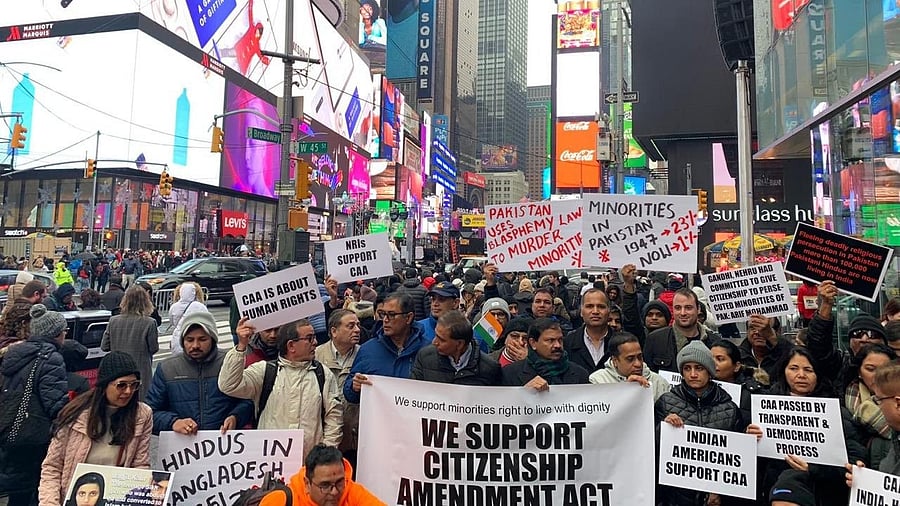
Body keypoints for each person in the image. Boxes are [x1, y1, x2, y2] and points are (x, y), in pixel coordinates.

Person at [746, 347, 865, 505]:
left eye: (808, 370)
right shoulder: (765, 409)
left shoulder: (836, 413)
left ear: (817, 375)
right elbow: (751, 466)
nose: (801, 375)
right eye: (794, 368)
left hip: (823, 495)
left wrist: (813, 469)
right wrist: (750, 439)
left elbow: (854, 462)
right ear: (784, 372)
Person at [38, 352, 153, 506]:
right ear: (105, 385)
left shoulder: (142, 414)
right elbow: (52, 466)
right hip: (76, 498)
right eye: (121, 385)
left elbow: (140, 465)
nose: (128, 391)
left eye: (134, 385)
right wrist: (50, 503)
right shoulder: (75, 413)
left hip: (115, 498)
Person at [219, 318, 343, 458]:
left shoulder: (323, 374)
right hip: (270, 462)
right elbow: (228, 385)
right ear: (291, 346)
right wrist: (241, 346)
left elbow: (334, 417)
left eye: (314, 337)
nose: (315, 342)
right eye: (309, 338)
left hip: (309, 464)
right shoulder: (265, 371)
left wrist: (325, 455)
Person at [655, 341, 744, 506]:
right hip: (675, 496)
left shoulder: (729, 408)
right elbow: (651, 451)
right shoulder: (666, 403)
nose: (693, 374)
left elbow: (735, 459)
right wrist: (663, 428)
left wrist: (718, 490)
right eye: (687, 368)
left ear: (709, 371)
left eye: (699, 368)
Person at [0, 304, 69, 506]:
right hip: (36, 433)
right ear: (56, 334)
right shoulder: (51, 358)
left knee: (17, 490)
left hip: (11, 428)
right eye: (64, 331)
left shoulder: (16, 353)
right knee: (36, 487)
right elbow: (55, 403)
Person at [147, 311, 253, 435]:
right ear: (182, 341)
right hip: (184, 448)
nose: (195, 345)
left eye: (202, 339)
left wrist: (235, 417)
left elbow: (248, 400)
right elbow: (150, 413)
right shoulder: (167, 368)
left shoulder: (230, 363)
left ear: (212, 339)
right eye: (189, 340)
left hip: (223, 444)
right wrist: (173, 422)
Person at [344, 294, 428, 404]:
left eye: (392, 315)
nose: (385, 320)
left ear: (408, 317)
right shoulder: (368, 350)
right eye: (383, 314)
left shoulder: (427, 350)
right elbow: (349, 393)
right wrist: (354, 386)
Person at [806, 280, 886, 392]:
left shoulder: (895, 368)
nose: (864, 339)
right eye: (857, 334)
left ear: (884, 342)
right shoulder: (839, 365)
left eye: (872, 335)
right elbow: (818, 344)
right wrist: (826, 305)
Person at [316, 310, 361, 469]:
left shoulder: (364, 354)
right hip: (325, 434)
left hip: (355, 436)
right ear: (334, 331)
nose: (357, 330)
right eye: (350, 326)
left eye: (357, 325)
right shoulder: (316, 356)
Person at [841, 344, 897, 470]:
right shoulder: (843, 404)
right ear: (859, 372)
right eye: (870, 369)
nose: (877, 375)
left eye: (884, 370)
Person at [411, 311, 501, 385]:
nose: (434, 342)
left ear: (459, 344)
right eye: (436, 335)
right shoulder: (425, 357)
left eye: (441, 340)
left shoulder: (489, 368)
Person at [100, 286, 158, 400]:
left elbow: (104, 346)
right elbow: (153, 348)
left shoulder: (113, 321)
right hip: (140, 370)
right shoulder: (150, 323)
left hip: (117, 370)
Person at [644, 288, 721, 372]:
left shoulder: (715, 342)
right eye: (678, 308)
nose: (683, 313)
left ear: (698, 309)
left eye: (688, 308)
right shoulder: (655, 340)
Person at [287, 444, 386, 506]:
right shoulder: (285, 499)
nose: (334, 492)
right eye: (325, 485)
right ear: (307, 484)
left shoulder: (353, 492)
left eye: (339, 482)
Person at [501, 318, 590, 387]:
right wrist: (524, 393)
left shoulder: (580, 374)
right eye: (550, 340)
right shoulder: (509, 374)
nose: (557, 345)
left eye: (560, 340)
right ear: (533, 343)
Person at [589, 332, 671, 401]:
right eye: (630, 359)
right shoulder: (598, 381)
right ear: (615, 361)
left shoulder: (659, 382)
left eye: (640, 357)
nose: (638, 364)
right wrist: (628, 389)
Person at [564, 288, 614, 373]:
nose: (595, 311)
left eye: (601, 307)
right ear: (581, 312)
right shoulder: (568, 342)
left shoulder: (621, 342)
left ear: (608, 311)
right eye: (589, 306)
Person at [737, 313, 793, 379]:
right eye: (753, 328)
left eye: (764, 329)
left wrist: (771, 337)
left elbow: (795, 354)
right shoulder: (736, 357)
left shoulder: (786, 356)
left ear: (776, 332)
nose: (757, 332)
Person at [168, 283, 210, 355]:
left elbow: (172, 321)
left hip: (177, 337)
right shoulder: (200, 306)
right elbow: (207, 321)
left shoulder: (174, 307)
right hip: (195, 337)